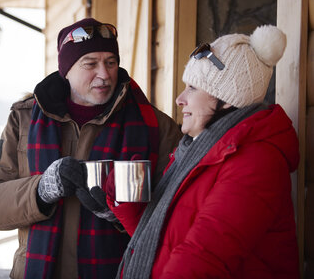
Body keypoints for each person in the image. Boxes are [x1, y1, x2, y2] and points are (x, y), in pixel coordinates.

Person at [0, 17, 182, 279]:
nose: (104, 74)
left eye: (111, 62)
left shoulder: (155, 125)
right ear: (67, 69)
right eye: (90, 64)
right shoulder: (24, 119)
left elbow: (180, 215)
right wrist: (39, 190)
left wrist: (123, 214)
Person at [104, 25, 299, 278]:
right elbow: (163, 243)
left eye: (193, 88)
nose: (179, 99)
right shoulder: (197, 152)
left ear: (227, 99)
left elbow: (201, 259)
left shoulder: (256, 162)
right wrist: (126, 200)